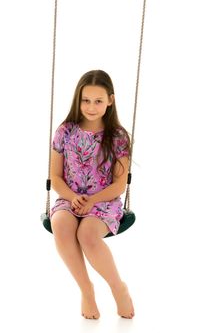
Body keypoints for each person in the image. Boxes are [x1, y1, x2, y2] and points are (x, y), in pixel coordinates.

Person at [50, 69, 135, 319]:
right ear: (78, 100)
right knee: (61, 225)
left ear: (110, 100)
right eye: (86, 100)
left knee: (87, 233)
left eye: (98, 101)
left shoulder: (117, 137)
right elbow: (55, 176)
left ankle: (118, 288)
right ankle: (86, 290)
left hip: (104, 202)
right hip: (70, 197)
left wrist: (93, 201)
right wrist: (72, 197)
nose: (91, 106)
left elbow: (120, 184)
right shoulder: (65, 131)